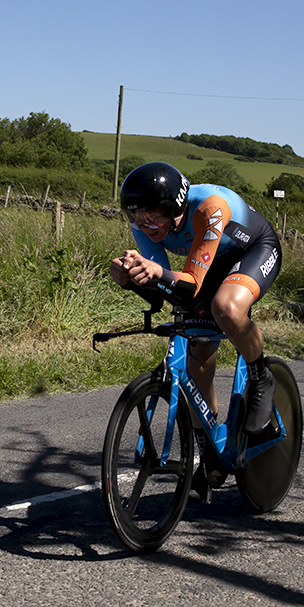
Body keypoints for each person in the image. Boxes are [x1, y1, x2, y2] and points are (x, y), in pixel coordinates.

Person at [109, 161, 283, 451]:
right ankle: (208, 446)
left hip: (254, 250)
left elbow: (189, 284)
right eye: (136, 217)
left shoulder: (209, 208)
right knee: (198, 354)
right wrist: (131, 277)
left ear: (175, 208)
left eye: (152, 216)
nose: (144, 225)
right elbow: (167, 289)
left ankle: (260, 376)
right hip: (210, 263)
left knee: (226, 307)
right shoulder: (144, 227)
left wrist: (155, 273)